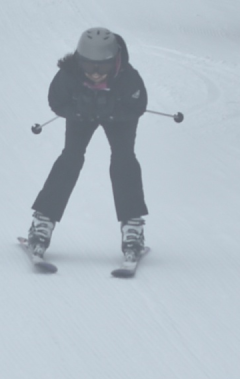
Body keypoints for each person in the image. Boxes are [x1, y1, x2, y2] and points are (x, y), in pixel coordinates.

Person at [27, 27, 149, 263]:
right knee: (70, 157)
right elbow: (56, 101)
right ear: (79, 61)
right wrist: (79, 111)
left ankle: (133, 228)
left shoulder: (128, 77)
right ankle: (42, 223)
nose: (95, 73)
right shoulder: (69, 75)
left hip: (119, 117)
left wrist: (111, 111)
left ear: (115, 61)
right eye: (89, 66)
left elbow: (138, 106)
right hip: (82, 115)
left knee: (124, 158)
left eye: (103, 67)